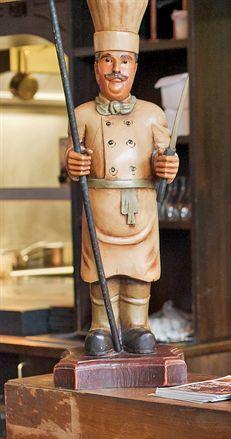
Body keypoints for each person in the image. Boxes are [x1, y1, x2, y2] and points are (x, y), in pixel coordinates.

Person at [65, 0, 179, 356]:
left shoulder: (151, 114)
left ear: (135, 66)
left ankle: (136, 327)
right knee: (102, 274)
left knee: (139, 273)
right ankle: (101, 328)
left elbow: (166, 155)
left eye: (124, 61)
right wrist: (74, 162)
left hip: (139, 210)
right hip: (99, 209)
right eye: (108, 60)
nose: (117, 69)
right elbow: (69, 156)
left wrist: (167, 165)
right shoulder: (81, 114)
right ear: (97, 67)